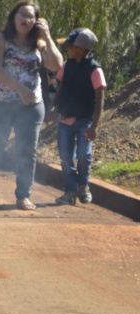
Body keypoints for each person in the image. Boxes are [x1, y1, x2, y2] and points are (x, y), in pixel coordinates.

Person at [0, 0, 63, 210]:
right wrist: (20, 89)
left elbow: (57, 65)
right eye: (22, 14)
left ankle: (23, 195)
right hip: (1, 102)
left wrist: (47, 36)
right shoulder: (1, 38)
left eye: (31, 16)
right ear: (13, 17)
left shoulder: (39, 43)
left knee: (27, 150)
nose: (26, 19)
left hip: (31, 105)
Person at [50, 28, 106, 206]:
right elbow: (60, 88)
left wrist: (94, 127)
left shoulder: (95, 70)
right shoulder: (67, 65)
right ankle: (69, 191)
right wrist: (52, 107)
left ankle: (83, 185)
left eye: (69, 46)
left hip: (84, 121)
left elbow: (99, 101)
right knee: (66, 156)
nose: (67, 49)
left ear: (81, 49)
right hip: (65, 119)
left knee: (84, 154)